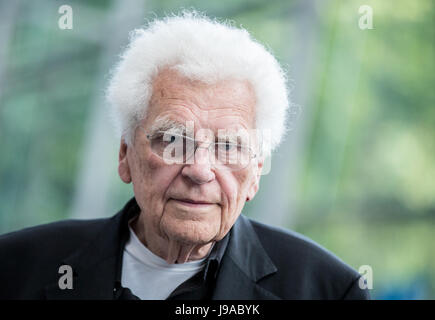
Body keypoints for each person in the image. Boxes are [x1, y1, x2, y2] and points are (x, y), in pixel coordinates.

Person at [0, 12, 370, 300]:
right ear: (126, 154)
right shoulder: (17, 266)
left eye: (229, 146)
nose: (199, 169)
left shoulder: (329, 290)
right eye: (173, 139)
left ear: (256, 172)